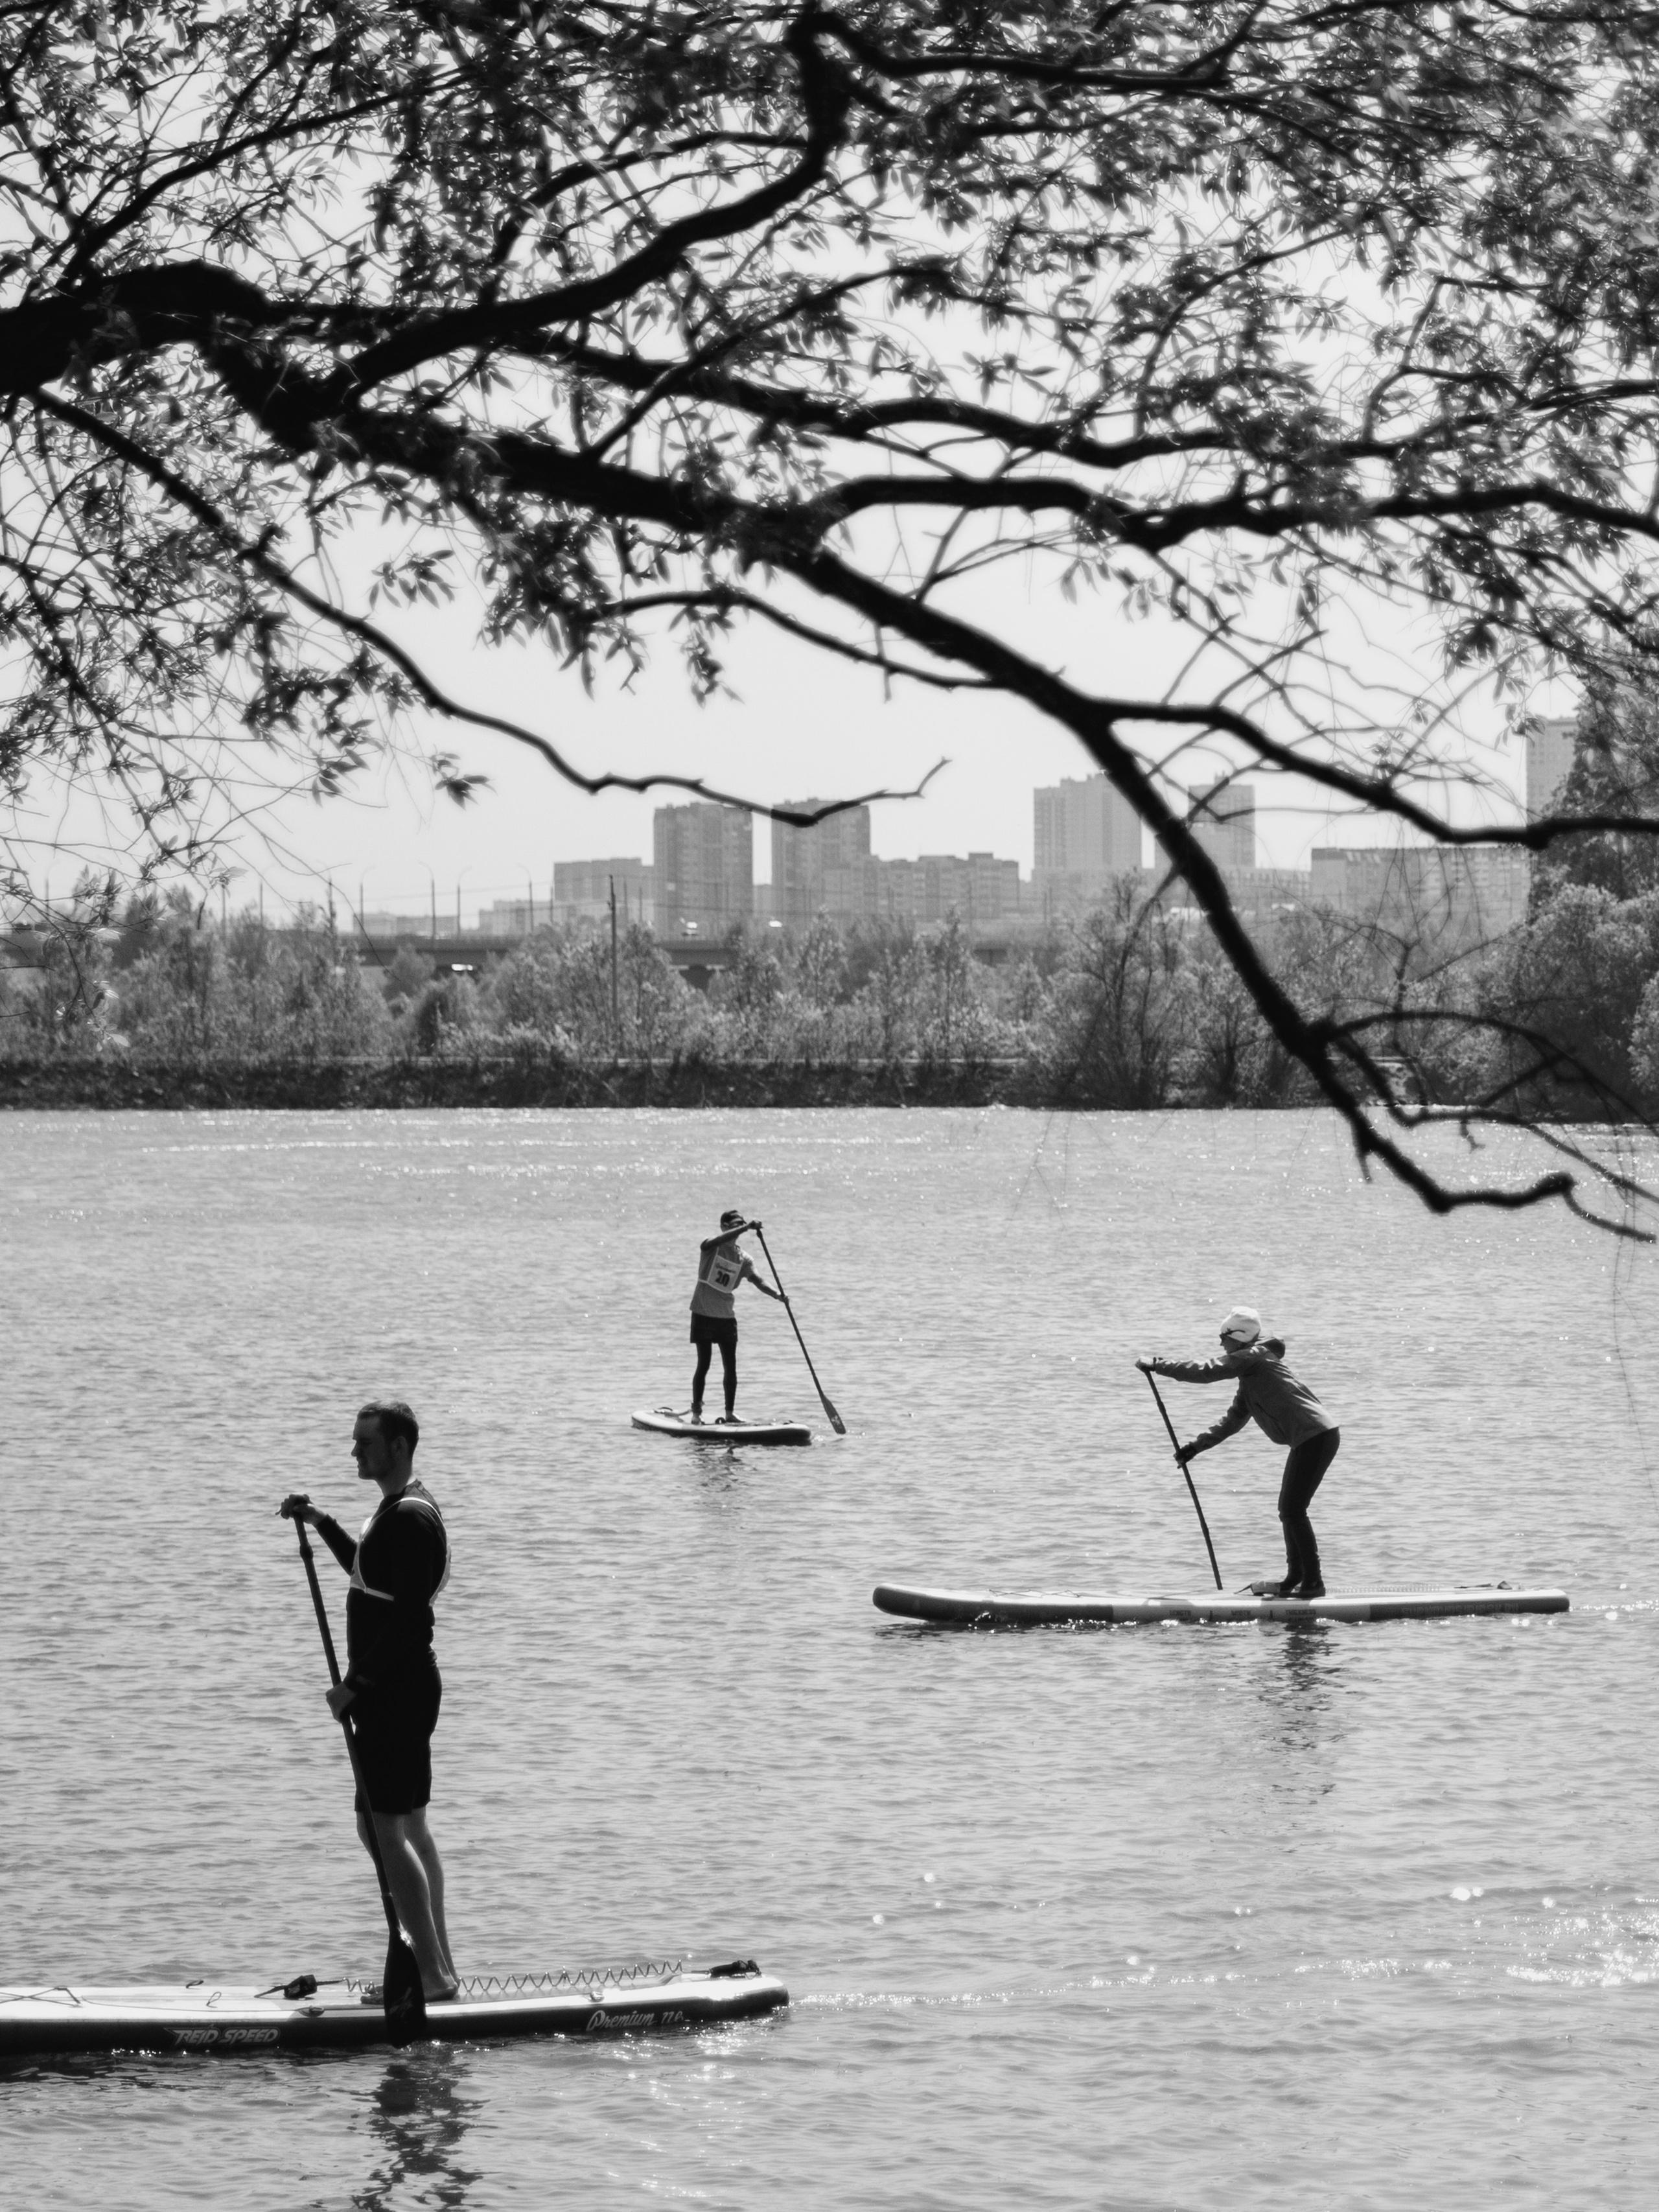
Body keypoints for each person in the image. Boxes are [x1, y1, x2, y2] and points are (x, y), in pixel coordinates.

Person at [281, 1399, 458, 2001]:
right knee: (406, 1826)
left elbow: (409, 1616)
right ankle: (441, 1969)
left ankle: (430, 1975)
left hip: (395, 1694)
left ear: (399, 1446)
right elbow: (367, 1574)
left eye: (365, 1442)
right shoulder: (398, 1509)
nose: (354, 1451)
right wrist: (321, 1520)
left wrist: (356, 1685)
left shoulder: (413, 1518)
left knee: (383, 1830)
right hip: (400, 1691)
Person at [1137, 1307, 1341, 1599]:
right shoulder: (1251, 1374)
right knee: (1288, 1509)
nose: (1220, 1343)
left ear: (1239, 1337)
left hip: (1317, 1436)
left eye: (1223, 1337)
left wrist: (1158, 1364)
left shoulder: (1254, 1357)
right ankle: (1296, 1578)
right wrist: (1195, 1448)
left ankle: (1313, 1583)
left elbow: (1208, 1371)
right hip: (1310, 1439)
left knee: (1294, 1510)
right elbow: (1232, 1421)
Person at [688, 1209, 789, 1423]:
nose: (737, 1230)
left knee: (731, 1367)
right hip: (703, 1313)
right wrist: (746, 1227)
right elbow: (710, 1242)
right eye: (733, 1226)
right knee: (703, 1364)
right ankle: (697, 1414)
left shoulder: (744, 1259)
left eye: (740, 1225)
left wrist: (777, 1295)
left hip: (726, 1318)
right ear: (724, 1227)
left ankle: (729, 1413)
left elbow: (759, 1280)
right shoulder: (710, 1246)